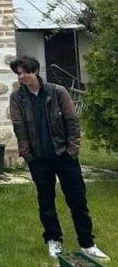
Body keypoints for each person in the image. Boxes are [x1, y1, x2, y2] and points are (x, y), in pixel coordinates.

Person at [9, 56, 109, 260]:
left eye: (25, 72)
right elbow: (19, 129)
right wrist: (28, 155)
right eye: (19, 73)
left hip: (64, 155)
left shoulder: (57, 92)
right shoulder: (17, 98)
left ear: (35, 71)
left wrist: (72, 150)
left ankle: (87, 244)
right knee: (46, 202)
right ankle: (53, 240)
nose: (22, 77)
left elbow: (72, 122)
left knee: (77, 200)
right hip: (38, 158)